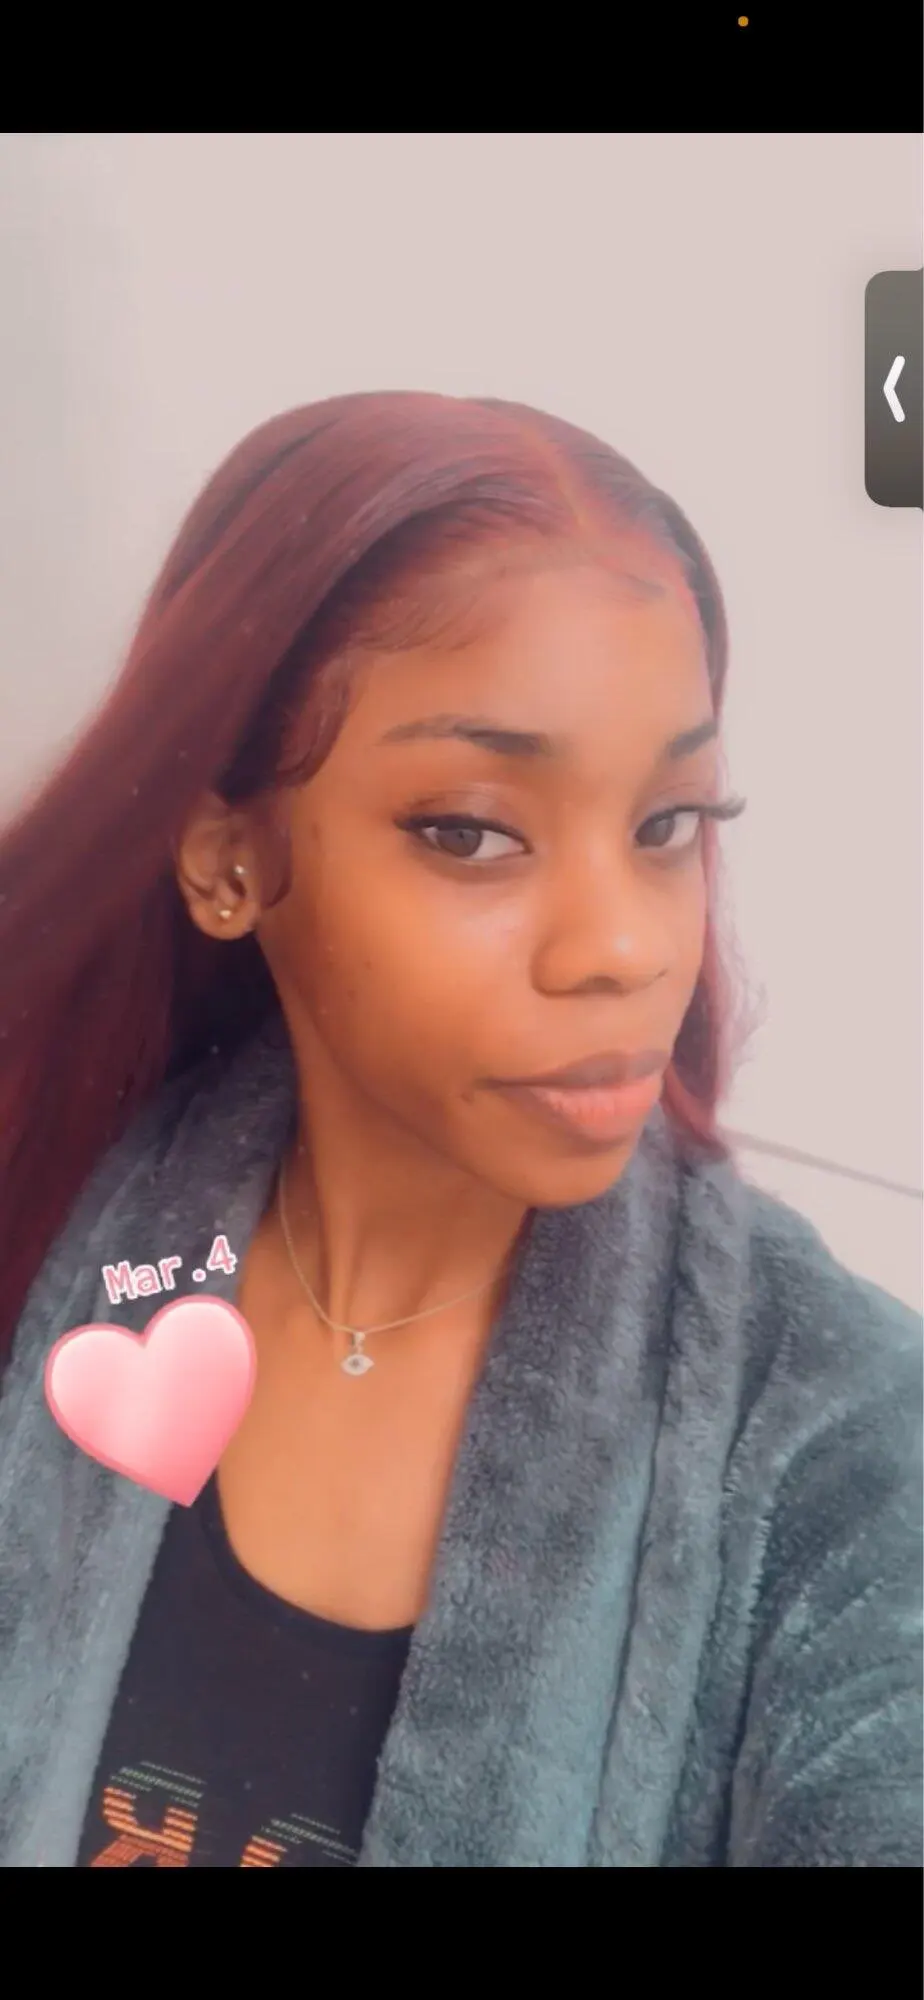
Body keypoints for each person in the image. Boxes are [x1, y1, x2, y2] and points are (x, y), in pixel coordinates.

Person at [0, 391, 920, 1869]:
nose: (624, 948)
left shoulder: (838, 1436)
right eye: (473, 831)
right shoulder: (49, 1221)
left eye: (668, 823)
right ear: (231, 863)